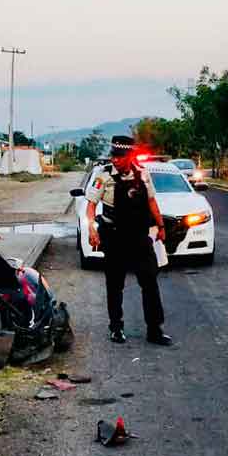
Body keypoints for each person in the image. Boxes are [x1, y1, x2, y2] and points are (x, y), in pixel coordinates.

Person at [84, 135, 173, 346]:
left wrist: (160, 226)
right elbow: (90, 206)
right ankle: (116, 327)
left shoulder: (142, 174)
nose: (115, 160)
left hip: (139, 236)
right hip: (114, 236)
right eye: (114, 155)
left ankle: (155, 329)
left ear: (130, 155)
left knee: (150, 282)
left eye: (120, 156)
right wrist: (92, 230)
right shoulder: (103, 176)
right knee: (115, 284)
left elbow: (152, 201)